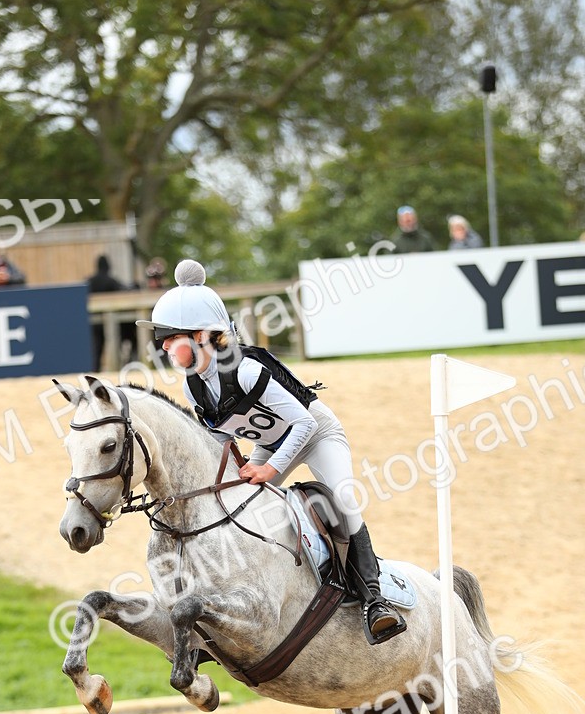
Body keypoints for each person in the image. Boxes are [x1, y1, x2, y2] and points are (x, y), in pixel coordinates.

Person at [137, 260, 406, 646]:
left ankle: (374, 602)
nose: (162, 346)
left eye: (169, 337)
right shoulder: (192, 387)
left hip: (316, 434)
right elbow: (219, 440)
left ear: (200, 336)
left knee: (344, 501)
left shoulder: (245, 369)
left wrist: (270, 469)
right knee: (231, 505)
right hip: (270, 443)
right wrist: (236, 469)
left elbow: (304, 425)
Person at [86, 254, 137, 370]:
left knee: (97, 348)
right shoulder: (111, 281)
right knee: (116, 344)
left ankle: (95, 370)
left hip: (94, 323)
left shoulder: (90, 282)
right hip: (113, 324)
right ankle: (119, 367)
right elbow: (124, 290)